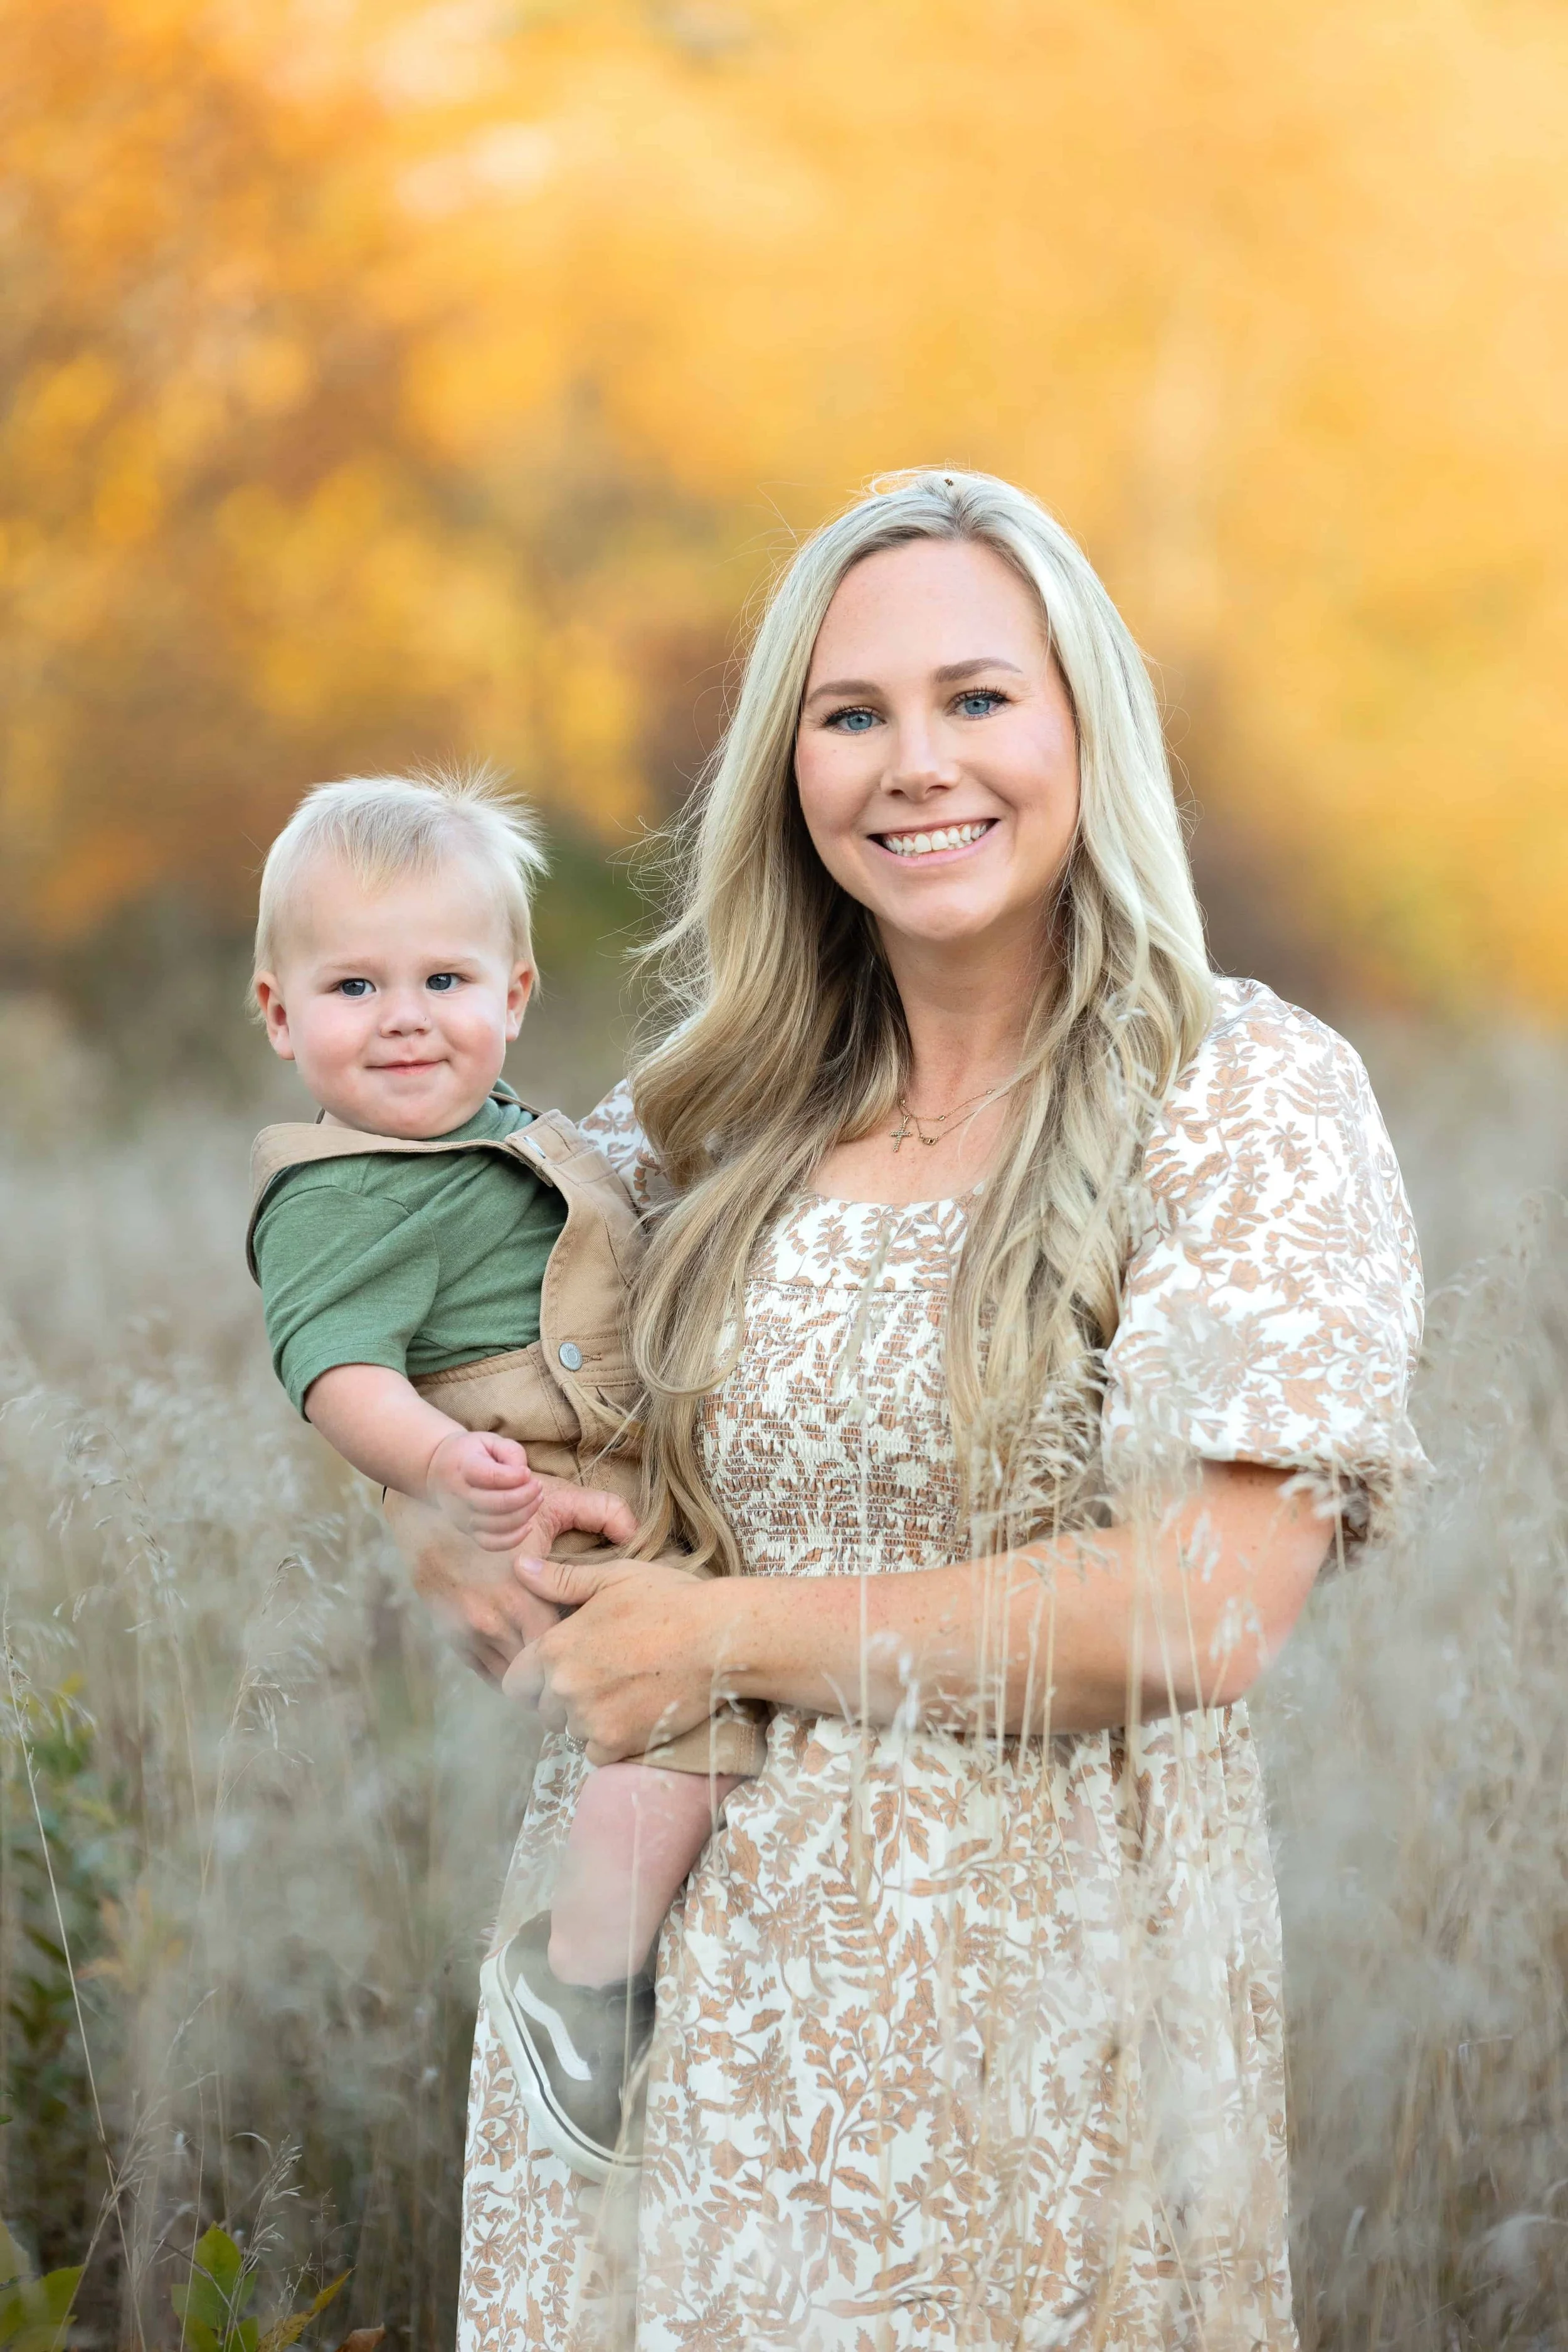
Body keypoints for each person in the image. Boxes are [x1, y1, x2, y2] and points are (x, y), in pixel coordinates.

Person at [426, 469, 1423, 2349]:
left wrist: (719, 1628)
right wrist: (460, 1525)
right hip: (656, 2036)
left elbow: (1203, 1608)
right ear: (784, 768)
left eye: (977, 697)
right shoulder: (702, 1119)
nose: (914, 762)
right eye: (849, 711)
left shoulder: (1237, 1097)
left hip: (1031, 2035)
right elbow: (457, 1377)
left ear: (1079, 726)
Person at [245, 770, 765, 2178]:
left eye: (442, 977)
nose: (405, 1014)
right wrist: (438, 1471)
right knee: (676, 1718)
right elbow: (334, 1371)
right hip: (531, 1477)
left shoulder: (510, 1128)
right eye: (353, 986)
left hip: (599, 1453)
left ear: (516, 994)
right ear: (280, 1015)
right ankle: (583, 1980)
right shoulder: (333, 1190)